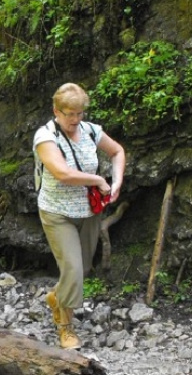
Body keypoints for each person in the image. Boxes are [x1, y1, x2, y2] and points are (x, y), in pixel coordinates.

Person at [33, 83, 126, 349]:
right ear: (56, 110)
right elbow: (62, 173)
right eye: (69, 114)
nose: (75, 120)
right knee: (72, 269)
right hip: (57, 212)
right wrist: (98, 178)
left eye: (79, 113)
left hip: (89, 212)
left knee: (82, 269)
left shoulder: (90, 130)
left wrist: (116, 180)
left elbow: (117, 151)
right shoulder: (45, 136)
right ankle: (66, 328)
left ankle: (56, 297)